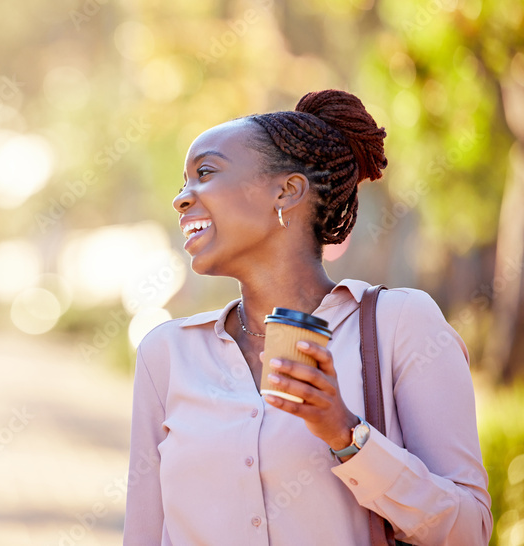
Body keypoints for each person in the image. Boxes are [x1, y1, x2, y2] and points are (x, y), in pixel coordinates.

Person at [124, 89, 491, 545]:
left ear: (287, 190)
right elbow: (143, 533)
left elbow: (467, 531)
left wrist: (345, 433)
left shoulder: (399, 325)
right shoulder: (167, 354)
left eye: (205, 173)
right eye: (182, 184)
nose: (181, 199)